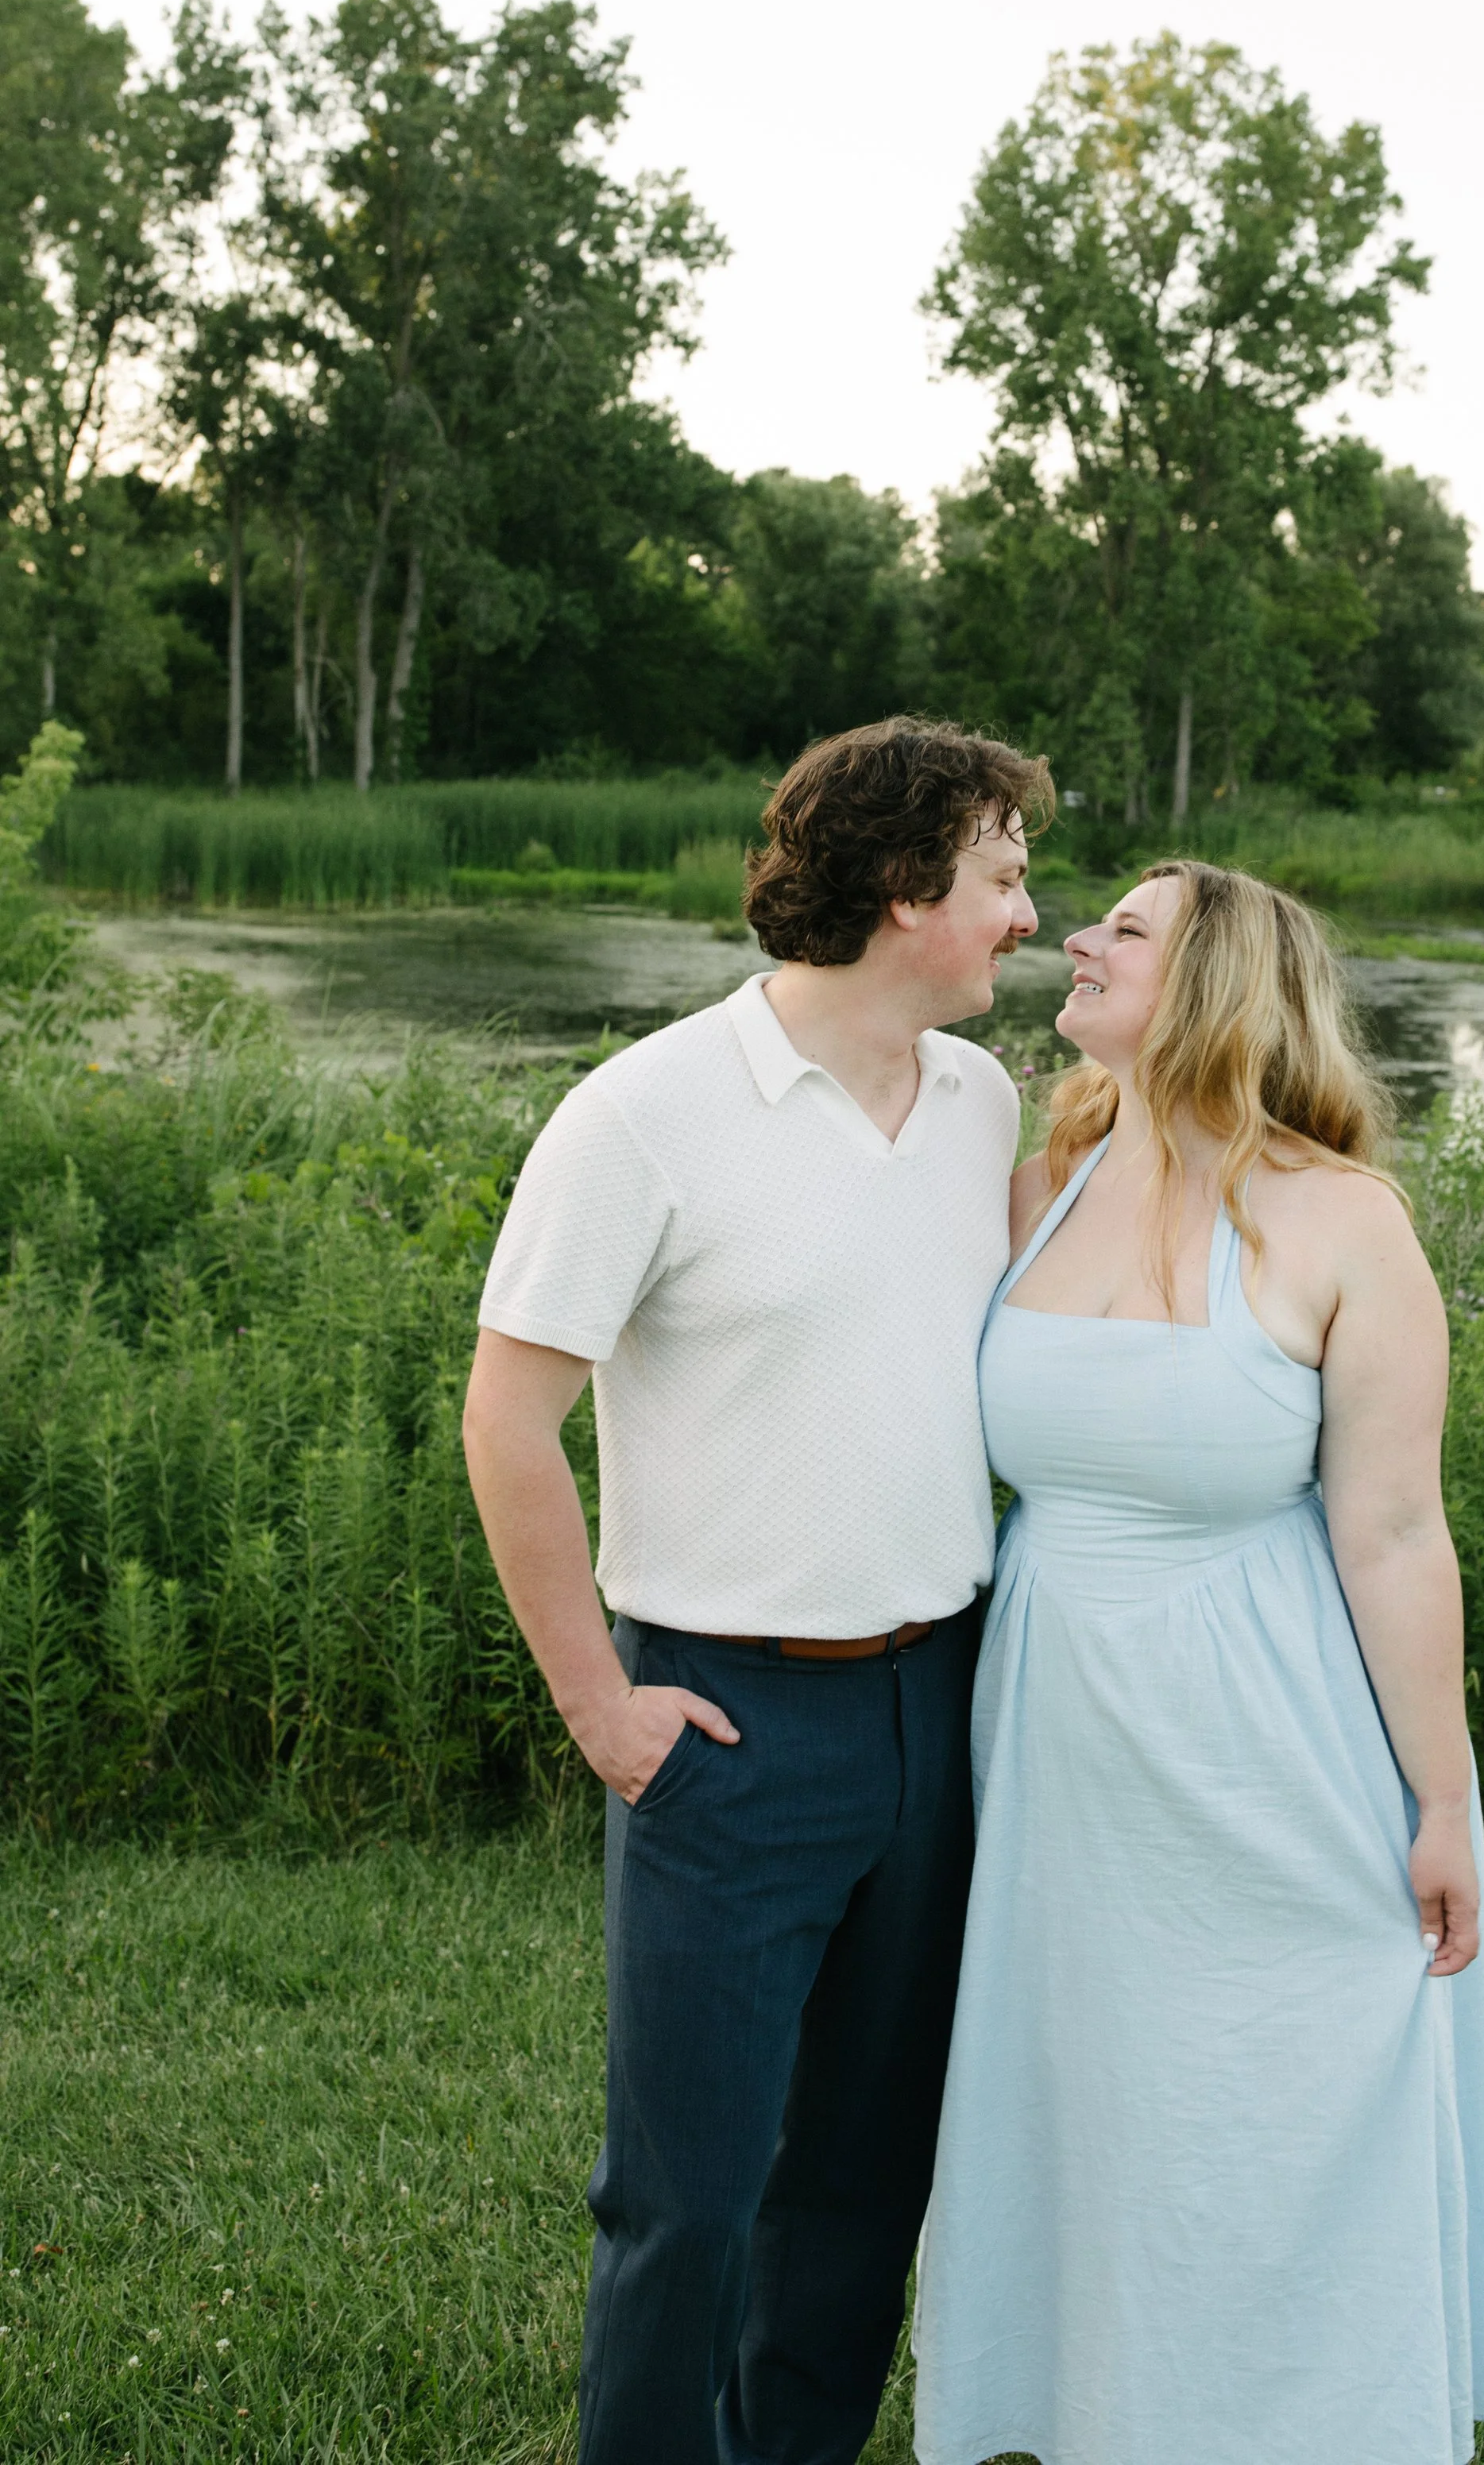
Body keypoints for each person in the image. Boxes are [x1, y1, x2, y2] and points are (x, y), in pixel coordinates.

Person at [462, 716, 1049, 2465]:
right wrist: (596, 1703)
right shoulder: (642, 1115)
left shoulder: (979, 1100)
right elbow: (508, 1421)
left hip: (935, 1703)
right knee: (689, 2198)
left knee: (865, 2186)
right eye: (1001, 877)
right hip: (723, 1716)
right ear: (899, 893)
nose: (1027, 914)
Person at [913, 860, 1484, 2465]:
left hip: (1263, 1723)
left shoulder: (1345, 1221)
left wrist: (1437, 1803)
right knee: (1097, 2099)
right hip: (1057, 1721)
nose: (1078, 936)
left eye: (1124, 928)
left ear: (1213, 984)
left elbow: (1395, 1535)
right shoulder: (1035, 1174)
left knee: (1271, 2094)